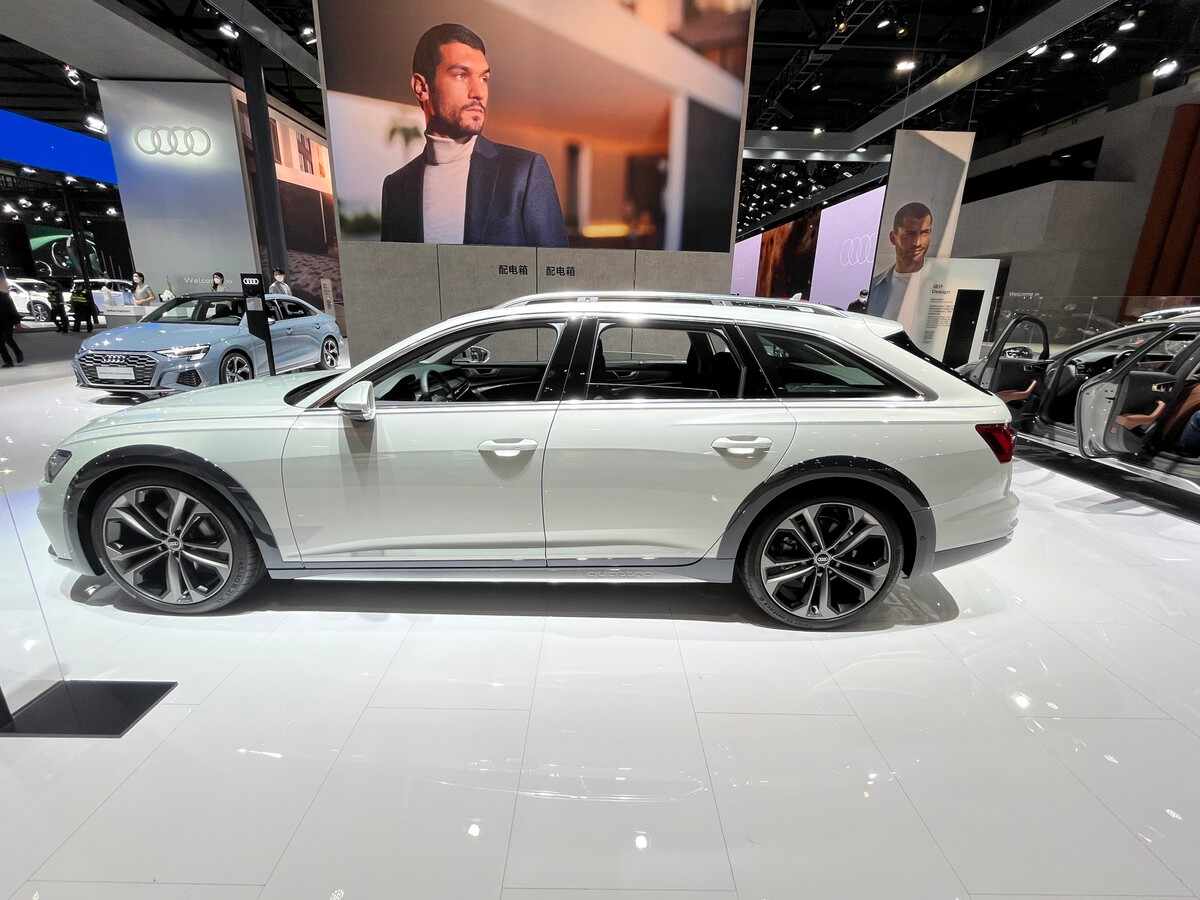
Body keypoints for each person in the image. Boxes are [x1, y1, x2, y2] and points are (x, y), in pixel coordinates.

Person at [380, 23, 568, 247]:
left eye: (484, 78)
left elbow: (556, 267)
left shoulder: (524, 172)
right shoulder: (396, 187)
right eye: (461, 75)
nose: (479, 92)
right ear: (422, 87)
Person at [867, 201, 934, 319]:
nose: (917, 243)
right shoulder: (872, 288)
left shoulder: (943, 282)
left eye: (924, 233)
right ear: (893, 238)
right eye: (910, 234)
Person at [0, 273, 24, 367]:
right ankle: (8, 361)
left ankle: (18, 353)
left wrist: (17, 323)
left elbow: (12, 309)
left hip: (7, 321)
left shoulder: (4, 295)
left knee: (8, 339)